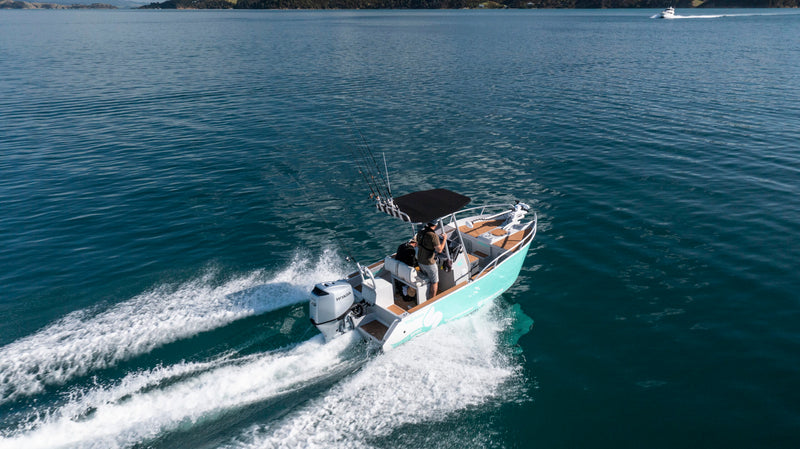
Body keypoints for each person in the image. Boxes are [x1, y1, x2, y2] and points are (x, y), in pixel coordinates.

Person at [416, 221, 447, 298]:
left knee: (427, 277)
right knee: (434, 282)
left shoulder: (420, 232)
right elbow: (439, 250)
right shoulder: (433, 235)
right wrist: (444, 239)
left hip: (420, 260)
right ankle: (432, 299)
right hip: (429, 263)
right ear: (436, 225)